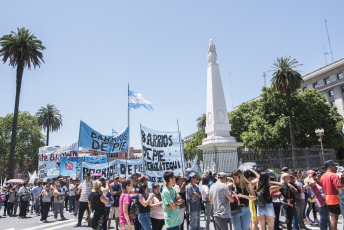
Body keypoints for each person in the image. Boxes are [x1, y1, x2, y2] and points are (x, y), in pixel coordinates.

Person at [320, 160, 341, 230]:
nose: (336, 167)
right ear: (331, 167)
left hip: (328, 200)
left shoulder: (322, 176)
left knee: (333, 219)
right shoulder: (333, 175)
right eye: (335, 166)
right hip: (336, 199)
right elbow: (338, 188)